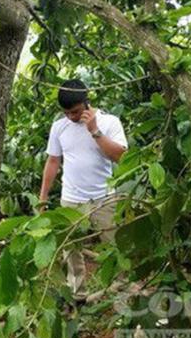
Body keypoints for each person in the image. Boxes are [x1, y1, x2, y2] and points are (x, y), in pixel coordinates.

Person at [38, 79, 128, 302]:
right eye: (66, 113)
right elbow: (52, 162)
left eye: (75, 112)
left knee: (115, 245)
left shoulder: (109, 122)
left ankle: (123, 290)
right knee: (71, 251)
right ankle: (78, 296)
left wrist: (95, 131)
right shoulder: (59, 127)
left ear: (87, 102)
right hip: (71, 200)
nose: (71, 117)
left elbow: (121, 157)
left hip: (104, 197)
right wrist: (43, 198)